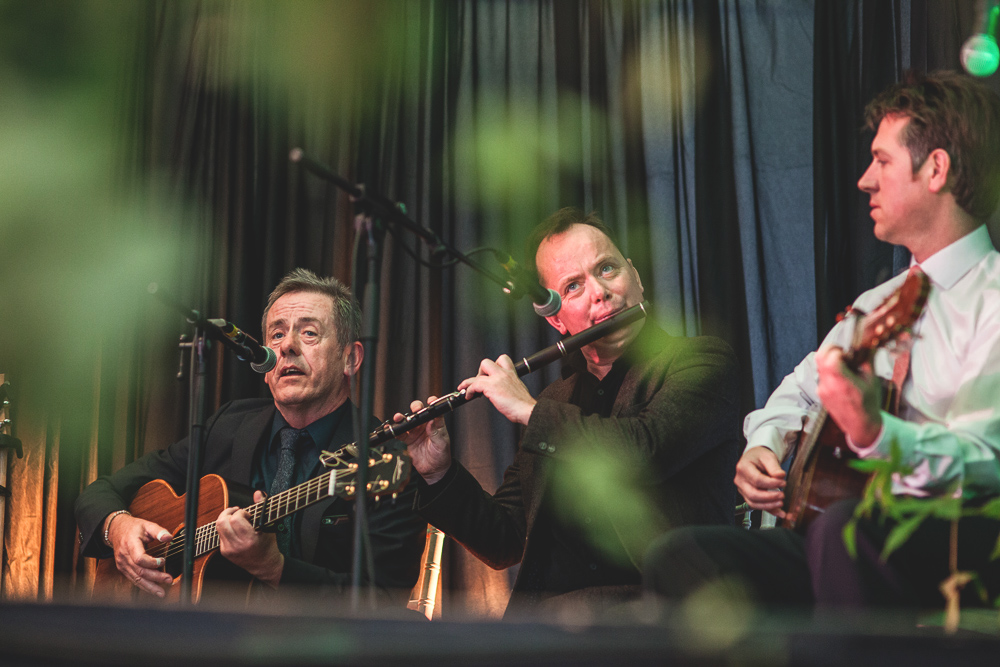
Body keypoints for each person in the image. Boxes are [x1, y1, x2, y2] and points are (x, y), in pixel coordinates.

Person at [644, 71, 1000, 610]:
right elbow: (800, 390)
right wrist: (765, 443)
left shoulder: (991, 300)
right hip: (851, 533)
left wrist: (878, 433)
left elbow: (986, 462)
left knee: (842, 530)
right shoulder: (879, 303)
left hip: (960, 538)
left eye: (881, 161)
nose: (864, 180)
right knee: (683, 555)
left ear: (936, 169)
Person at [397, 208, 741, 613]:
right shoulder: (556, 400)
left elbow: (644, 450)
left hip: (661, 615)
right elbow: (506, 540)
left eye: (608, 268)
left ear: (636, 277)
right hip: (552, 624)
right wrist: (439, 474)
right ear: (556, 320)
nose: (600, 291)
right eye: (574, 286)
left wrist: (530, 411)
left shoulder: (700, 361)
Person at [75, 268, 426, 602]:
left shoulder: (387, 455)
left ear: (350, 359)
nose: (287, 347)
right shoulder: (228, 426)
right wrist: (116, 527)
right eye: (276, 335)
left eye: (309, 333)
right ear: (263, 363)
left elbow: (383, 601)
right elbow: (101, 492)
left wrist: (273, 568)